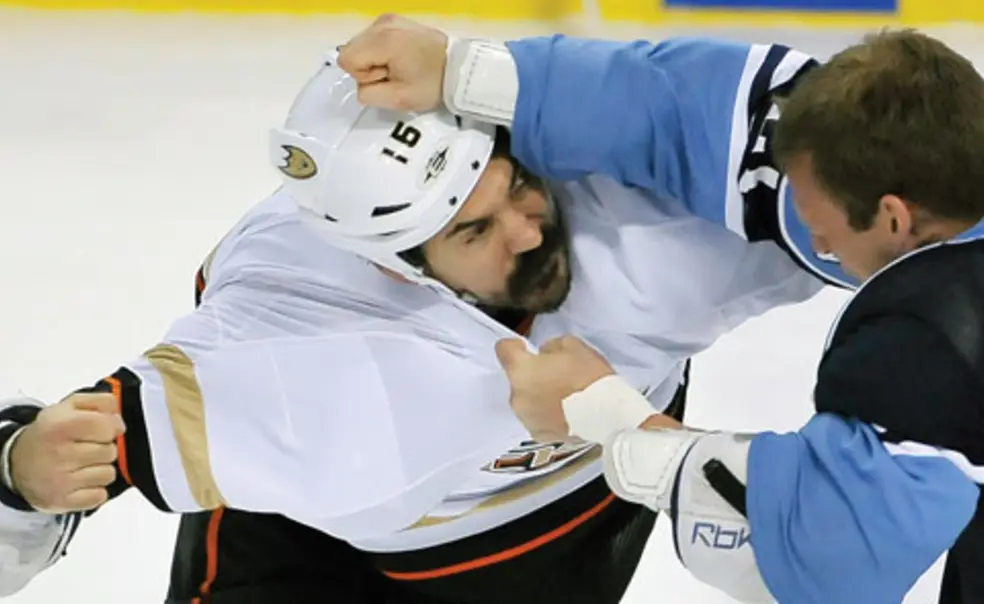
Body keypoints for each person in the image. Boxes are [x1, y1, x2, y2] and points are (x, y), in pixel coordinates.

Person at [0, 43, 824, 604]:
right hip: (305, 518)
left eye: (516, 185)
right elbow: (75, 450)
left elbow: (908, 172)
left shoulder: (652, 235)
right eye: (473, 231)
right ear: (392, 260)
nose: (529, 230)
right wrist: (19, 471)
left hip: (535, 533)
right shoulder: (293, 323)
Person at [336, 18, 984, 604]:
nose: (815, 247)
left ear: (896, 217)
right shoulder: (933, 158)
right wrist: (462, 71)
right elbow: (677, 109)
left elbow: (831, 563)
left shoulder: (931, 340)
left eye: (828, 231)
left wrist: (612, 416)